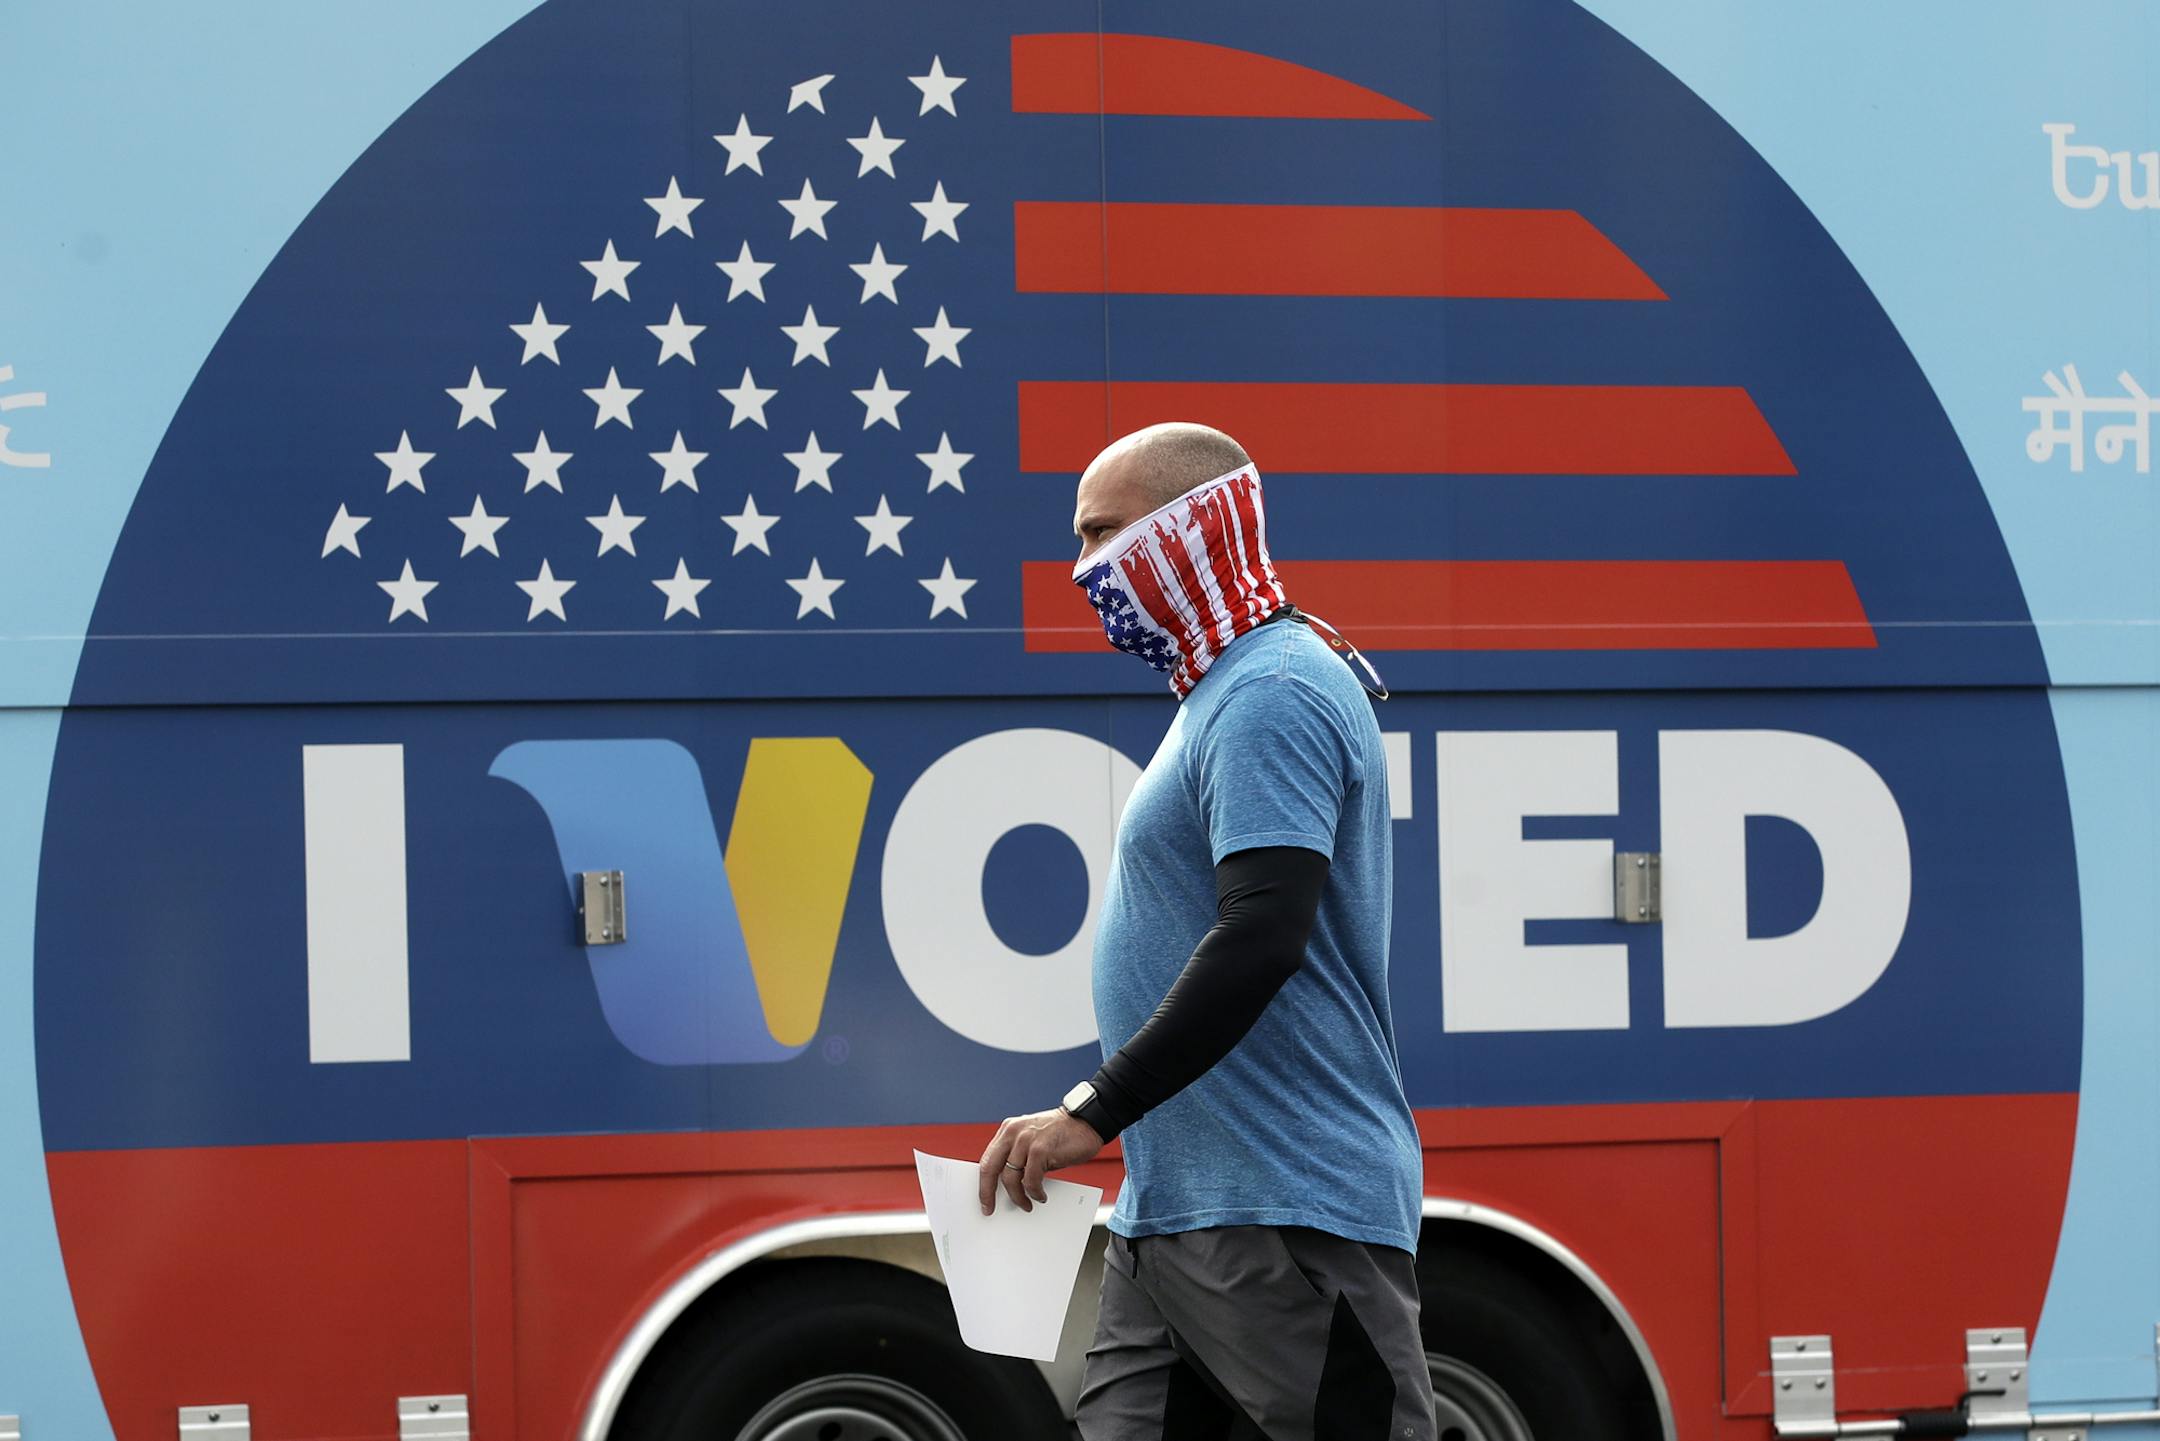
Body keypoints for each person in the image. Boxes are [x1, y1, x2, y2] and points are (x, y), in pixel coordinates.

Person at [976, 422, 1436, 1440]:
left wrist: (1094, 1107)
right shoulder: (1219, 695)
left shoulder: (1273, 691)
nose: (1082, 570)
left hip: (1285, 1215)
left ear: (1192, 528)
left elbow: (1265, 933)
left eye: (1102, 535)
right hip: (1178, 1213)